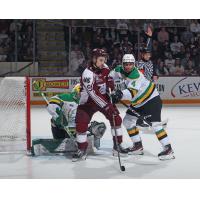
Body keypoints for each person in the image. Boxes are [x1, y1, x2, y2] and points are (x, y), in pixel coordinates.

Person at [110, 54, 175, 160]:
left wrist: (119, 94)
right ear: (122, 64)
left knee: (155, 125)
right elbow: (109, 76)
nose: (128, 66)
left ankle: (168, 149)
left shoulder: (136, 75)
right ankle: (137, 146)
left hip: (151, 100)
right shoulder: (119, 69)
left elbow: (131, 93)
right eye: (126, 64)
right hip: (138, 103)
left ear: (134, 64)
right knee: (127, 121)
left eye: (130, 64)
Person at [73, 48, 128, 161]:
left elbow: (109, 80)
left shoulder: (105, 67)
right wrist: (108, 107)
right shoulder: (87, 74)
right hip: (87, 103)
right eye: (101, 60)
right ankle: (81, 149)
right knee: (81, 125)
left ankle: (117, 146)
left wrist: (112, 91)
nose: (103, 62)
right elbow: (93, 94)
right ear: (94, 59)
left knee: (116, 119)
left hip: (103, 99)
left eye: (104, 60)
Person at [46, 84, 106, 152]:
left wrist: (91, 129)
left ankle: (89, 141)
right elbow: (52, 101)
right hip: (61, 129)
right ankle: (60, 141)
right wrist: (57, 114)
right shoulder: (67, 97)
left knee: (99, 127)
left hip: (75, 131)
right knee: (54, 121)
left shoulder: (86, 104)